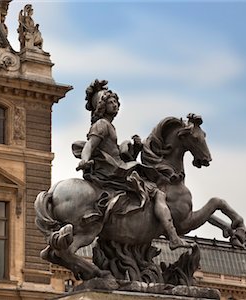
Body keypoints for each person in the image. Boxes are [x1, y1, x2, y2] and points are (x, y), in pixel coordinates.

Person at [75, 80, 189, 250]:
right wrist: (84, 160)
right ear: (102, 106)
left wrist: (134, 147)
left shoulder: (109, 126)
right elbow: (90, 145)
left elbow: (116, 152)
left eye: (116, 102)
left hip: (116, 167)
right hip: (112, 170)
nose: (115, 105)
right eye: (110, 102)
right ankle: (173, 237)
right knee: (157, 193)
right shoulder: (102, 125)